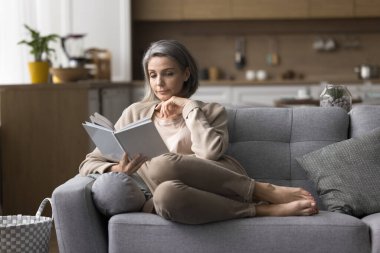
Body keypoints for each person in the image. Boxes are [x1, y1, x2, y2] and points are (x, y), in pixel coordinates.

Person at [79, 40, 318, 224]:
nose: (159, 83)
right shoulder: (135, 112)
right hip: (169, 196)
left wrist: (190, 107)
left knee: (162, 164)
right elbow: (87, 164)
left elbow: (210, 153)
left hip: (216, 183)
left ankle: (263, 190)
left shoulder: (211, 111)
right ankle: (263, 209)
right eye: (153, 75)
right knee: (165, 196)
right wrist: (116, 169)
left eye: (168, 73)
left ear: (186, 73)